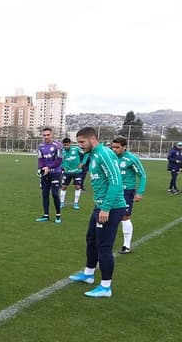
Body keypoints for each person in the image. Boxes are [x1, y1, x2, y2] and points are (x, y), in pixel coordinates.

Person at [69, 127, 127, 298]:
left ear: (93, 139)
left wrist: (106, 207)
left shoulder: (104, 154)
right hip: (100, 206)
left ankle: (105, 287)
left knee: (104, 247)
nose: (80, 145)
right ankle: (88, 273)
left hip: (112, 207)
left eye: (82, 142)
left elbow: (116, 182)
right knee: (91, 239)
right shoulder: (92, 154)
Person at [110, 137, 147, 254]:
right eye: (113, 147)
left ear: (124, 147)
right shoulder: (110, 157)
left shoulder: (131, 158)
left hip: (126, 191)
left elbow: (142, 175)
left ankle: (126, 245)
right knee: (108, 216)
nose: (114, 149)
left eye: (117, 147)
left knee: (124, 216)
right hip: (112, 190)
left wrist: (140, 192)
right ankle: (107, 242)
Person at [35, 127, 63, 223]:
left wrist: (48, 167)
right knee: (45, 194)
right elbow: (40, 159)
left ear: (52, 135)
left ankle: (58, 215)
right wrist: (40, 168)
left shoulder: (58, 145)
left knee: (55, 194)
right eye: (44, 135)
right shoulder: (41, 146)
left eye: (48, 135)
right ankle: (46, 215)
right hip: (45, 174)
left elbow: (59, 161)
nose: (46, 137)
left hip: (55, 173)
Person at [59, 137, 84, 210]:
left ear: (70, 143)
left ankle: (76, 203)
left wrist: (82, 163)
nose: (66, 146)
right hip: (67, 172)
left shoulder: (76, 149)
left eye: (67, 145)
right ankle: (62, 202)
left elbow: (86, 154)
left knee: (77, 187)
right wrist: (63, 166)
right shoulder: (62, 151)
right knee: (63, 187)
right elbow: (59, 160)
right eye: (64, 145)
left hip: (77, 171)